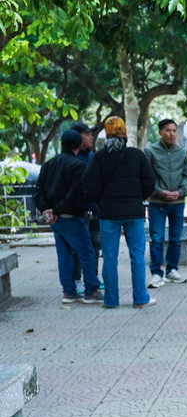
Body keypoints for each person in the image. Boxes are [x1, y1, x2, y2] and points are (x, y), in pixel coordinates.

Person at [81, 117, 156, 308]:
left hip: (108, 214)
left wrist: (101, 200)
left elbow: (89, 185)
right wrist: (140, 196)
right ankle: (140, 298)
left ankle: (111, 300)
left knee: (109, 257)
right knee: (137, 255)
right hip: (134, 213)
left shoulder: (99, 157)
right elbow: (149, 181)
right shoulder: (136, 155)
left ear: (106, 136)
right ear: (125, 135)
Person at [35, 130, 101, 305]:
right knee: (87, 252)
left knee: (64, 255)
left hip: (55, 219)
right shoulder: (78, 166)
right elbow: (75, 193)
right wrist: (56, 210)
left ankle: (69, 292)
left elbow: (38, 191)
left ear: (62, 144)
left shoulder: (48, 164)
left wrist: (48, 210)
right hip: (71, 216)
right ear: (79, 145)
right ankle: (91, 290)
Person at [145, 118, 187, 287]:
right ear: (160, 132)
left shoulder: (182, 153)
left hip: (177, 202)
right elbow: (146, 177)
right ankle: (157, 273)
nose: (171, 134)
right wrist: (159, 192)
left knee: (175, 238)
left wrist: (180, 192)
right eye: (167, 130)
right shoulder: (150, 151)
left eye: (174, 130)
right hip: (157, 202)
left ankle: (172, 270)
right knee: (157, 238)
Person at [69, 121, 103, 293]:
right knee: (77, 247)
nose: (91, 136)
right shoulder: (71, 159)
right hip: (78, 211)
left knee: (95, 243)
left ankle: (93, 277)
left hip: (95, 208)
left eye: (91, 133)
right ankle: (76, 279)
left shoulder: (92, 156)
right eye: (87, 133)